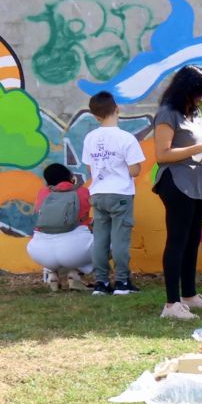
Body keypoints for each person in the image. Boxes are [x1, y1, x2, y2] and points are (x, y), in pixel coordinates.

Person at [152, 65, 202, 320]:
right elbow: (162, 154)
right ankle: (171, 304)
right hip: (177, 183)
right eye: (200, 92)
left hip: (197, 184)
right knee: (177, 241)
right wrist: (201, 147)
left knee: (192, 240)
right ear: (186, 90)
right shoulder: (167, 114)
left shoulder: (194, 114)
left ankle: (189, 295)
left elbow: (197, 145)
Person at [81, 90, 144, 295]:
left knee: (100, 239)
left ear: (95, 116)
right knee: (120, 240)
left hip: (98, 193)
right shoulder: (126, 138)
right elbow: (135, 170)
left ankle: (101, 282)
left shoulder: (90, 138)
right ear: (117, 109)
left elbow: (90, 168)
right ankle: (122, 282)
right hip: (121, 194)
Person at [26, 163, 94, 290]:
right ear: (69, 176)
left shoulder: (43, 193)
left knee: (58, 247)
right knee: (106, 241)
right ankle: (75, 274)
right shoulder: (82, 191)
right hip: (74, 251)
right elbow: (85, 219)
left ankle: (52, 275)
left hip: (39, 251)